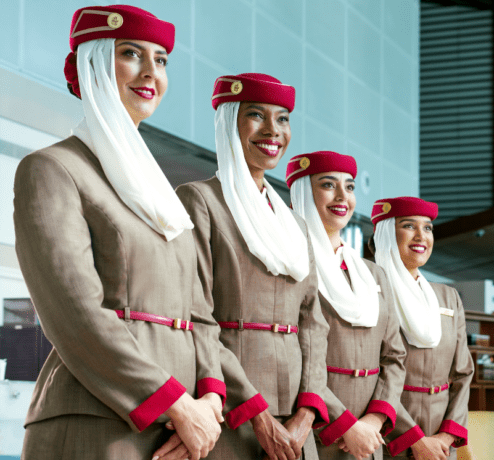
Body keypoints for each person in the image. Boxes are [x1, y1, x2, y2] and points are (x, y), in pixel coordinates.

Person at [14, 5, 225, 460]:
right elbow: (74, 313)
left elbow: (201, 315)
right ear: (92, 62)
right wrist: (174, 402)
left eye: (162, 60)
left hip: (185, 425)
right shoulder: (53, 169)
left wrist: (209, 400)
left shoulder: (161, 194)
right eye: (131, 53)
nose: (151, 71)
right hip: (99, 418)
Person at [176, 73, 330, 460]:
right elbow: (197, 315)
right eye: (256, 116)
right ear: (229, 122)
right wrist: (257, 414)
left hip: (296, 418)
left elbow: (313, 323)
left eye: (282, 119)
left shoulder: (294, 223)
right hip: (232, 410)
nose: (273, 130)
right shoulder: (201, 201)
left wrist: (307, 412)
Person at [286, 151, 407, 460]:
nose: (342, 196)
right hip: (313, 426)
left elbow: (394, 357)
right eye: (328, 185)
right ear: (302, 192)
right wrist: (345, 426)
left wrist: (374, 420)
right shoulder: (289, 264)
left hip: (368, 437)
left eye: (350, 187)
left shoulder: (373, 274)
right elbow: (292, 356)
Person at [370, 197, 474, 460]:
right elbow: (374, 377)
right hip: (388, 429)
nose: (421, 236)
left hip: (441, 439)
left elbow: (463, 373)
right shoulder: (371, 292)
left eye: (427, 228)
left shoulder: (449, 297)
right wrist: (415, 439)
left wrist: (446, 437)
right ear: (386, 235)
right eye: (409, 226)